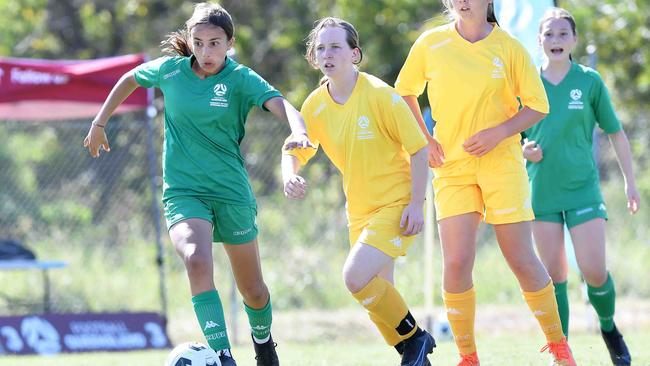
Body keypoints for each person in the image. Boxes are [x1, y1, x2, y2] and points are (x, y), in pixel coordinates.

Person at [83, 3, 313, 365]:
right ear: (190, 41)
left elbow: (282, 104)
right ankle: (222, 355)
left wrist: (297, 131)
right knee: (195, 258)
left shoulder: (241, 78)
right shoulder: (171, 71)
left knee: (252, 290)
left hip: (231, 192)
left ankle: (264, 342)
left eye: (215, 43)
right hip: (183, 191)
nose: (207, 52)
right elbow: (130, 79)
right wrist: (99, 122)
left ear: (229, 43)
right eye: (199, 42)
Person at [395, 1, 577, 365]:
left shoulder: (508, 46)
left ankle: (560, 348)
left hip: (502, 166)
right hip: (452, 167)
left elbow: (537, 105)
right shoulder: (431, 44)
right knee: (457, 262)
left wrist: (500, 132)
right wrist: (425, 139)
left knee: (521, 258)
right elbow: (403, 93)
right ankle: (468, 357)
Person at [282, 17, 435, 366]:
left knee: (354, 278)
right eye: (320, 48)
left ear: (355, 54)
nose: (327, 53)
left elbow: (419, 148)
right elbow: (294, 148)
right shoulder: (315, 106)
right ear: (313, 57)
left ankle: (417, 339)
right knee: (377, 303)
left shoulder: (381, 95)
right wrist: (288, 175)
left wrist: (416, 203)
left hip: (396, 203)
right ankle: (416, 357)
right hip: (360, 212)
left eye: (335, 46)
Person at [523, 7, 639, 366]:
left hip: (583, 190)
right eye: (548, 34)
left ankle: (608, 328)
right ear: (539, 41)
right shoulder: (526, 83)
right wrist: (523, 149)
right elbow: (513, 134)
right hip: (541, 191)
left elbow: (616, 133)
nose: (555, 40)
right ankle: (562, 352)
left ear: (574, 40)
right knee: (554, 276)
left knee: (593, 271)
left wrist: (630, 183)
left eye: (562, 34)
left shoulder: (589, 81)